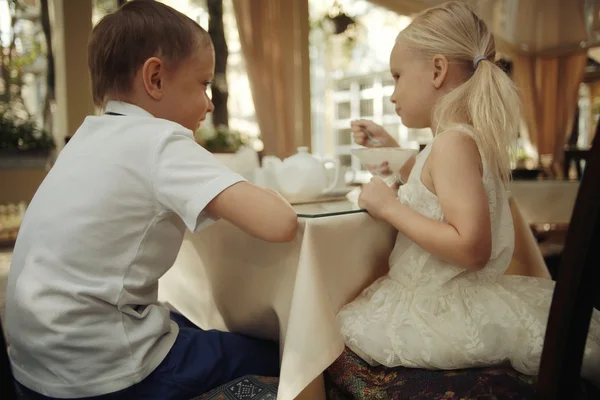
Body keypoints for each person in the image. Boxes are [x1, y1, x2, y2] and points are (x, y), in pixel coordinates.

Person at [6, 1, 298, 399]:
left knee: (189, 322)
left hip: (36, 365)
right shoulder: (160, 141)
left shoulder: (83, 140)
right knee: (279, 353)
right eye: (203, 85)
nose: (210, 104)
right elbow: (280, 223)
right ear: (155, 78)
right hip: (105, 370)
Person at [337, 0, 600, 386]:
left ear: (438, 70)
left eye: (397, 76)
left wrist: (389, 208)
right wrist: (391, 149)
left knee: (328, 343)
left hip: (442, 312)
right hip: (453, 301)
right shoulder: (457, 141)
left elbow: (472, 247)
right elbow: (436, 194)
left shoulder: (452, 143)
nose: (392, 94)